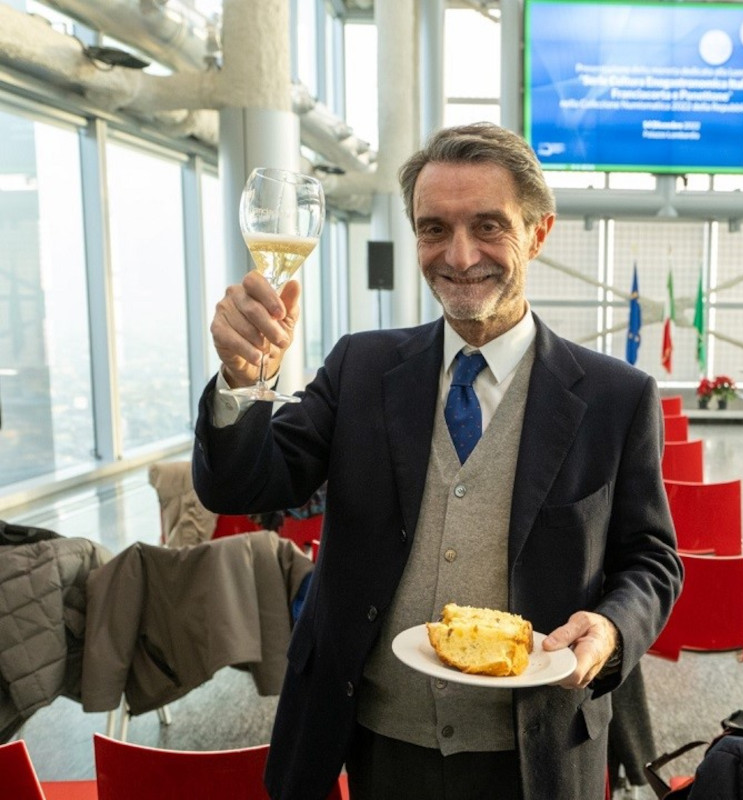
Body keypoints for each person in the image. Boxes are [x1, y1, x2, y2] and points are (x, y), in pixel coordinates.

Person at [192, 122, 683, 800]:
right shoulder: (360, 368)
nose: (458, 254)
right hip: (379, 743)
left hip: (534, 754)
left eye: (488, 226)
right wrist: (242, 383)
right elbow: (245, 484)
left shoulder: (615, 397)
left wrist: (612, 628)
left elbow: (652, 560)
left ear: (538, 232)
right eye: (433, 229)